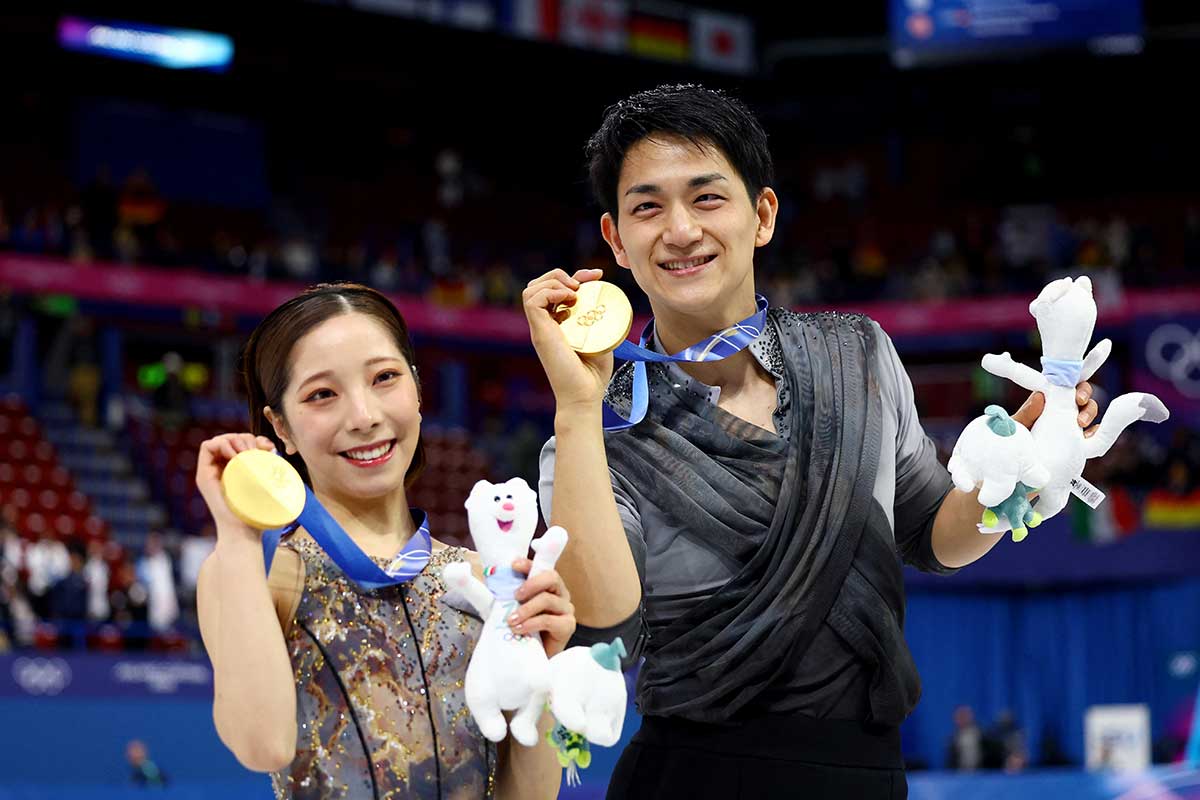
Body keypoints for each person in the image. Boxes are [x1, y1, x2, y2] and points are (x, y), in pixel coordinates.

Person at [523, 84, 1101, 798]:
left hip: (865, 773)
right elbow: (607, 625)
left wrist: (1020, 461)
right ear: (616, 240)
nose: (679, 230)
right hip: (692, 777)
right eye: (648, 206)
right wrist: (576, 410)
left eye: (707, 198)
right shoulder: (596, 430)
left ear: (762, 214)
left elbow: (930, 534)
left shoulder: (857, 353)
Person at [196, 283, 572, 798]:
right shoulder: (257, 573)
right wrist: (240, 535)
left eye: (384, 378)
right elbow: (263, 746)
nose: (364, 416)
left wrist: (543, 670)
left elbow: (527, 795)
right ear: (280, 426)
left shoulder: (479, 577)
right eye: (322, 394)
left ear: (417, 390)